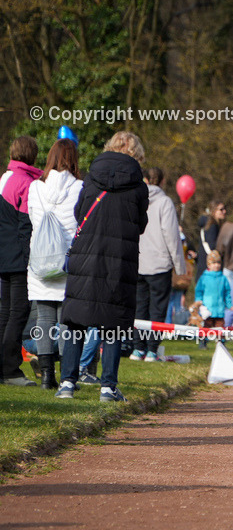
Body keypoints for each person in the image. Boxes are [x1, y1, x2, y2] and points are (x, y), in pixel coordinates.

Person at [57, 131, 150, 401]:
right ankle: (108, 386)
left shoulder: (91, 176)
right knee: (114, 322)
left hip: (86, 253)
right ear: (136, 154)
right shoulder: (138, 185)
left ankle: (67, 383)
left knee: (75, 319)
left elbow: (79, 212)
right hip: (120, 258)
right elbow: (141, 224)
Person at [27, 139, 82, 388]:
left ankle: (47, 375)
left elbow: (32, 218)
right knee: (66, 321)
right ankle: (67, 375)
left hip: (40, 259)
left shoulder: (35, 188)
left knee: (44, 318)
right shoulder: (80, 187)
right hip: (67, 260)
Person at [132, 167, 186, 361]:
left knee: (140, 307)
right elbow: (172, 236)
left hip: (138, 261)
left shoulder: (136, 199)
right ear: (162, 181)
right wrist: (180, 266)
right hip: (159, 264)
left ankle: (138, 348)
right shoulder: (164, 202)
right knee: (157, 309)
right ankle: (152, 349)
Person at [0, 136, 43, 386]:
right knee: (19, 312)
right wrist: (31, 261)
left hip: (3, 255)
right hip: (18, 258)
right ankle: (11, 369)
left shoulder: (5, 177)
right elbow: (25, 225)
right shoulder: (27, 183)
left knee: (5, 312)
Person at [190, 249, 232, 342]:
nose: (216, 265)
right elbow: (199, 291)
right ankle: (203, 342)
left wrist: (229, 304)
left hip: (219, 309)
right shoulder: (204, 278)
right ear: (209, 265)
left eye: (218, 263)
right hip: (207, 309)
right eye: (213, 263)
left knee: (220, 328)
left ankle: (221, 344)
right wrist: (198, 302)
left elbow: (227, 292)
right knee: (206, 327)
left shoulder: (223, 278)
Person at [196, 200, 227, 277]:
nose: (224, 211)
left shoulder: (207, 224)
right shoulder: (212, 226)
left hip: (204, 265)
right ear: (213, 211)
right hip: (210, 267)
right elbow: (212, 246)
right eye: (221, 209)